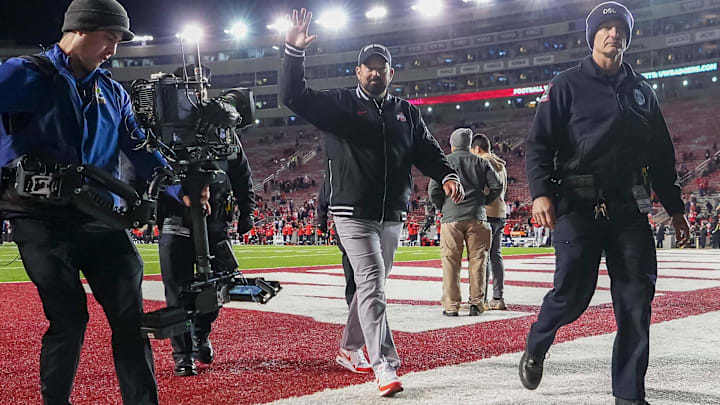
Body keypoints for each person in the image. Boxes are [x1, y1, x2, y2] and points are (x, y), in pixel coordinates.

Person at [281, 8, 463, 397]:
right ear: (358, 72)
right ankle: (384, 366)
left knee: (372, 286)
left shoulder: (406, 113)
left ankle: (348, 349)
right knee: (372, 284)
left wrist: (446, 174)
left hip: (393, 212)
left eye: (382, 67)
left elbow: (428, 150)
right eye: (368, 67)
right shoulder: (340, 105)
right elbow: (292, 95)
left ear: (391, 73)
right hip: (351, 210)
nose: (375, 72)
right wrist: (293, 53)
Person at [520, 2, 690, 404]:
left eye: (620, 28)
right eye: (606, 27)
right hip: (577, 206)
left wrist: (677, 209)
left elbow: (662, 156)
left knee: (636, 304)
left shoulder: (642, 91)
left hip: (629, 210)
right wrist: (541, 191)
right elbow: (539, 144)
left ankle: (629, 397)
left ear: (628, 38)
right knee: (573, 294)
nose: (613, 33)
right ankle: (538, 342)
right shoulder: (565, 85)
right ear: (592, 35)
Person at [0, 1, 167, 403]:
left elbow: (141, 150)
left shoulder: (113, 90)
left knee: (131, 320)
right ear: (79, 30)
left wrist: (180, 188)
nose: (113, 49)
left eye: (118, 41)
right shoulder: (22, 74)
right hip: (39, 219)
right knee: (69, 318)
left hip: (100, 216)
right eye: (108, 38)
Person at [157, 61, 256, 376]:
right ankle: (182, 355)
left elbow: (242, 173)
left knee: (218, 286)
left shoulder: (222, 125)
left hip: (215, 223)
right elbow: (154, 170)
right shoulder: (164, 126)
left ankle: (201, 332)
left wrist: (248, 212)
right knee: (177, 291)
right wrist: (182, 195)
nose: (196, 91)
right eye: (190, 85)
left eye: (200, 85)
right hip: (177, 219)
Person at [429, 128, 501, 317]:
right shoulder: (480, 161)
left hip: (451, 218)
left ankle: (452, 306)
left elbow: (433, 190)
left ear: (452, 144)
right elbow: (497, 186)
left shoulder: (445, 161)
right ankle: (477, 303)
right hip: (477, 216)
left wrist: (443, 206)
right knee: (478, 261)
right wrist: (483, 201)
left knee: (450, 262)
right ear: (469, 145)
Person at [471, 133, 508, 310]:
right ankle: (498, 297)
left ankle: (482, 299)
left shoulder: (482, 163)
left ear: (477, 149)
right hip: (501, 212)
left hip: (487, 213)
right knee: (496, 256)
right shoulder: (501, 165)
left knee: (482, 257)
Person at [317, 175, 357, 308]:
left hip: (344, 221)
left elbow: (323, 197)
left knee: (350, 258)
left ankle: (353, 297)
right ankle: (359, 296)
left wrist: (322, 221)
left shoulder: (334, 170)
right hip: (364, 218)